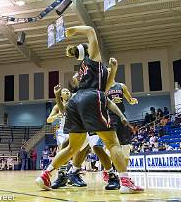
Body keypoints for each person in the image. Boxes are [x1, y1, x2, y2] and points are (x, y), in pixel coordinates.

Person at [35, 26, 143, 194]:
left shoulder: (83, 69)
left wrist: (113, 70)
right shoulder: (93, 58)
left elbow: (104, 88)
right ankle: (125, 181)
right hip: (91, 98)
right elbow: (91, 30)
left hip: (76, 101)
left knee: (72, 148)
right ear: (88, 51)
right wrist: (73, 30)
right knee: (112, 142)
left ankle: (45, 175)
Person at [106, 76, 138, 182]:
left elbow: (130, 100)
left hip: (122, 117)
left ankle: (124, 174)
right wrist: (111, 101)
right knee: (111, 145)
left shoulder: (121, 86)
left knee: (126, 146)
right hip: (110, 117)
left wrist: (133, 101)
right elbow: (101, 104)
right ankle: (109, 172)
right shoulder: (103, 88)